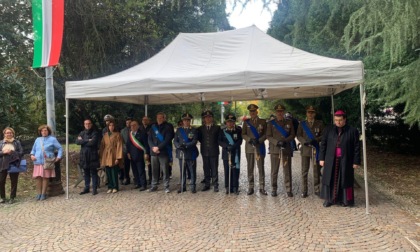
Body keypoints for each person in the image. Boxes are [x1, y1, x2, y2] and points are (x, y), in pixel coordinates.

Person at [319, 110, 360, 207]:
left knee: (346, 180)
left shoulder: (353, 131)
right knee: (329, 179)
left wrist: (356, 161)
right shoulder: (328, 130)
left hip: (346, 160)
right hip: (331, 159)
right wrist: (321, 158)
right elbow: (323, 144)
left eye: (340, 120)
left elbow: (357, 147)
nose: (338, 122)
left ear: (345, 119)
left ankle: (347, 200)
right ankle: (329, 199)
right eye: (336, 120)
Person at [267, 104, 295, 197]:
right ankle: (274, 189)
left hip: (286, 148)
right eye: (278, 111)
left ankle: (288, 189)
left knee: (287, 170)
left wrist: (285, 141)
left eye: (281, 111)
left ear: (283, 112)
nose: (280, 113)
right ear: (276, 112)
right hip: (275, 150)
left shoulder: (289, 122)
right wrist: (276, 142)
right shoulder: (271, 123)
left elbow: (292, 134)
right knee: (274, 171)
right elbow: (268, 136)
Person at [296, 106, 324, 198]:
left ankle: (317, 189)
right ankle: (304, 190)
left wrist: (316, 140)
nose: (310, 114)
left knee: (316, 170)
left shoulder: (319, 123)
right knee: (304, 171)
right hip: (305, 149)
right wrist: (304, 142)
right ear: (306, 113)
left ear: (314, 114)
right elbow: (298, 135)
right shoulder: (302, 124)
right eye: (309, 112)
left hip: (315, 149)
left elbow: (323, 135)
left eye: (312, 112)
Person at [30, 125, 62, 201]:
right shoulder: (38, 139)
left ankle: (43, 194)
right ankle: (39, 193)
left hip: (47, 161)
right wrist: (32, 155)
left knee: (45, 177)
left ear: (48, 131)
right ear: (40, 132)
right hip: (37, 161)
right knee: (38, 177)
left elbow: (60, 148)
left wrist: (59, 156)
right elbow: (33, 150)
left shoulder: (52, 139)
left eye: (45, 130)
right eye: (42, 131)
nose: (44, 132)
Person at [242, 104, 267, 195]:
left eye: (254, 111)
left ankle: (262, 187)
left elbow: (266, 134)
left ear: (257, 111)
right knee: (250, 167)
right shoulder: (246, 122)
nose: (252, 113)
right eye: (251, 112)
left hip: (259, 146)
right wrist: (250, 140)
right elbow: (243, 134)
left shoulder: (263, 122)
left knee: (261, 167)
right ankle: (251, 187)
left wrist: (259, 140)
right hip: (249, 148)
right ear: (249, 112)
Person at [148, 112, 173, 193]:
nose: (159, 119)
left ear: (164, 118)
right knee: (154, 170)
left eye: (161, 117)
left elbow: (167, 140)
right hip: (153, 152)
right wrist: (153, 148)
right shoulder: (153, 127)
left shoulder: (167, 127)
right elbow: (149, 139)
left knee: (165, 170)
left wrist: (158, 147)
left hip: (163, 152)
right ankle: (154, 185)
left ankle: (166, 186)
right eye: (158, 117)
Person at [174, 113, 199, 193]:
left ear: (190, 121)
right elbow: (175, 140)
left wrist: (185, 145)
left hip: (190, 153)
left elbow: (194, 141)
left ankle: (193, 186)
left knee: (192, 171)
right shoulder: (179, 130)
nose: (186, 122)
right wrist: (178, 146)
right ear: (183, 121)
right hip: (181, 153)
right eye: (185, 120)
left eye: (188, 120)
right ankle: (183, 186)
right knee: (182, 171)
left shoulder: (194, 130)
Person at [197, 110, 221, 192]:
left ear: (212, 118)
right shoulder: (200, 128)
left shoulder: (217, 128)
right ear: (204, 119)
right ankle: (207, 184)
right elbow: (200, 139)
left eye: (209, 117)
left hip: (214, 151)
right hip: (204, 151)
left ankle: (215, 185)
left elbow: (219, 139)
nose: (207, 119)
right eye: (206, 117)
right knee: (206, 168)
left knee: (214, 168)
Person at [218, 114, 242, 195]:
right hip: (226, 153)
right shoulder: (222, 131)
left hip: (235, 153)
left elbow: (240, 141)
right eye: (228, 122)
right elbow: (219, 141)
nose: (230, 123)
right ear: (226, 122)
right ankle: (228, 187)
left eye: (232, 122)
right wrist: (226, 146)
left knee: (235, 170)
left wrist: (233, 146)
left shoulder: (238, 130)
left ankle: (235, 187)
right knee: (227, 170)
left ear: (234, 122)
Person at [76, 119, 101, 195]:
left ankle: (94, 188)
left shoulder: (95, 133)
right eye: (86, 124)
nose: (87, 125)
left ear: (91, 124)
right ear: (84, 125)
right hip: (84, 156)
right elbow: (77, 142)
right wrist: (88, 140)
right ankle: (86, 188)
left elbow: (93, 143)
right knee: (86, 173)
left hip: (92, 155)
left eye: (89, 123)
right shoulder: (82, 133)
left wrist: (83, 141)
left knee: (93, 172)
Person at [0, 127, 24, 203]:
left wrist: (12, 152)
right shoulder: (1, 143)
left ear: (13, 134)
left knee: (14, 181)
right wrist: (4, 152)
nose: (9, 134)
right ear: (4, 134)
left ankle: (12, 198)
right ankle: (3, 197)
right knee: (1, 181)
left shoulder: (17, 142)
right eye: (7, 133)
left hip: (14, 163)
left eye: (10, 133)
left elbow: (21, 153)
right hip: (2, 164)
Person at [100, 121, 124, 193]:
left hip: (114, 154)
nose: (111, 127)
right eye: (110, 126)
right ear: (108, 127)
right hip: (106, 155)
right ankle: (109, 187)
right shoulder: (105, 135)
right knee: (108, 171)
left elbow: (119, 146)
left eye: (113, 125)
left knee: (114, 171)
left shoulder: (117, 135)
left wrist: (118, 158)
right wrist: (101, 157)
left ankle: (115, 186)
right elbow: (102, 146)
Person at [126, 120, 149, 191]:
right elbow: (128, 145)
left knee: (141, 170)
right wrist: (128, 153)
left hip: (140, 155)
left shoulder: (142, 133)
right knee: (135, 171)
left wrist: (146, 153)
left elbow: (146, 144)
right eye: (131, 125)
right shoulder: (130, 134)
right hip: (132, 156)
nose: (132, 127)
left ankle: (143, 184)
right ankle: (138, 183)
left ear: (138, 126)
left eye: (134, 125)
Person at [120, 116, 133, 185]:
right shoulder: (122, 131)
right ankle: (127, 178)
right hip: (125, 151)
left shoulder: (134, 129)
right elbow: (122, 142)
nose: (128, 124)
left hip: (134, 151)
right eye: (127, 123)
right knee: (126, 166)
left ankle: (136, 178)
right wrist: (126, 150)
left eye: (129, 122)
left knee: (134, 166)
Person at [140, 116, 152, 184]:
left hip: (149, 148)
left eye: (146, 120)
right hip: (141, 148)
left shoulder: (151, 128)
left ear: (148, 121)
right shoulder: (140, 128)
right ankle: (143, 179)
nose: (144, 121)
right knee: (142, 165)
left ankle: (151, 178)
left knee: (150, 165)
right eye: (143, 120)